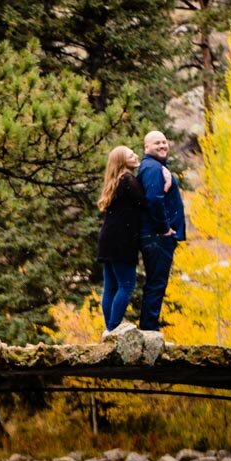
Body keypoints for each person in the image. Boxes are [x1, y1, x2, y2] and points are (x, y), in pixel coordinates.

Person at [136, 129, 186, 332]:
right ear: (146, 147)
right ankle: (149, 329)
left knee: (156, 282)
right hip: (157, 236)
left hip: (157, 236)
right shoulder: (152, 168)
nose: (163, 145)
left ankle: (150, 328)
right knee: (156, 283)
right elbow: (153, 200)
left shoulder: (156, 167)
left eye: (164, 142)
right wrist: (164, 228)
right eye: (157, 143)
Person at [96, 145, 143, 338]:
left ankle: (110, 328)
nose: (136, 156)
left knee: (110, 286)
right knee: (126, 285)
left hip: (107, 239)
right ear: (122, 162)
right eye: (131, 155)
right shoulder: (128, 180)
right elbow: (143, 202)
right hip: (122, 241)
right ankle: (113, 329)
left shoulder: (114, 182)